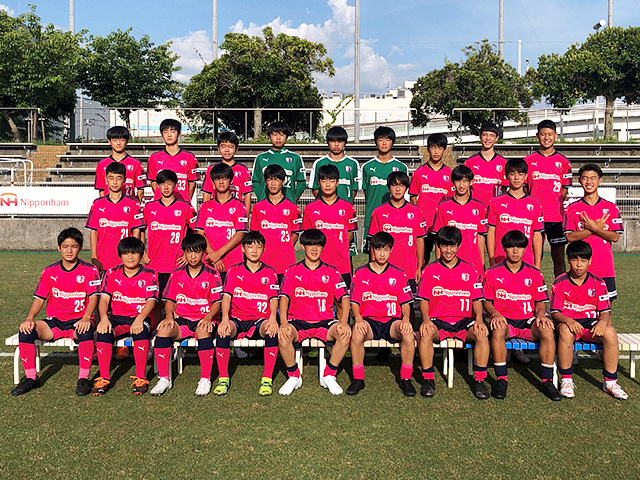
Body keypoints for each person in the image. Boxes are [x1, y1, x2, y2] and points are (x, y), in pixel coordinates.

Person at [11, 228, 101, 397]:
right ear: (59, 248)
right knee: (26, 331)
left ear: (80, 248)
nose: (69, 250)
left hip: (78, 321)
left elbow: (94, 297)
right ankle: (31, 378)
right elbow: (39, 299)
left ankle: (83, 379)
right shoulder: (49, 271)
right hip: (55, 322)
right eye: (65, 246)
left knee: (86, 331)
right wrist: (29, 318)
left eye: (74, 246)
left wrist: (86, 317)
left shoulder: (90, 270)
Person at [483, 230, 561, 401]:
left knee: (547, 330)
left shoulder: (535, 273)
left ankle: (548, 381)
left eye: (519, 247)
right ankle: (501, 379)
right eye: (511, 247)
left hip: (527, 321)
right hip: (505, 321)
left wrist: (541, 314)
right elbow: (486, 301)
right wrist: (495, 314)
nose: (515, 251)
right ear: (504, 248)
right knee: (497, 330)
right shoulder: (492, 272)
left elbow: (541, 301)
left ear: (525, 249)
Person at [416, 226, 490, 400]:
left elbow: (476, 299)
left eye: (452, 246)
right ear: (438, 246)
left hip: (464, 321)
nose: (448, 250)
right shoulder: (430, 270)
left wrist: (479, 319)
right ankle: (428, 379)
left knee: (482, 334)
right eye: (444, 246)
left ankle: (480, 381)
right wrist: (426, 319)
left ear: (459, 246)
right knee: (425, 333)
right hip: (438, 320)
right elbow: (423, 300)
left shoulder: (470, 270)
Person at [277, 229, 351, 396]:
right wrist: (284, 323)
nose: (314, 249)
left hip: (324, 322)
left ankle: (329, 375)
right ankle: (294, 376)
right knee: (283, 335)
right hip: (298, 322)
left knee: (345, 334)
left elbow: (344, 298)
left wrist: (344, 322)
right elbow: (284, 298)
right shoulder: (292, 271)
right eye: (310, 245)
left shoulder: (331, 271)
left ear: (323, 247)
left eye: (318, 245)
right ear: (303, 246)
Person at [552, 240, 628, 400]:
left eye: (583, 260)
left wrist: (602, 322)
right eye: (575, 260)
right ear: (568, 260)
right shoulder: (559, 282)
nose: (579, 264)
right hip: (568, 322)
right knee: (565, 330)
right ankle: (566, 380)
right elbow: (555, 313)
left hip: (589, 323)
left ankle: (610, 382)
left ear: (590, 261)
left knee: (610, 332)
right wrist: (568, 320)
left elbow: (605, 311)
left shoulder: (598, 283)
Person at [149, 234, 222, 397]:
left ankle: (205, 379)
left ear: (203, 253)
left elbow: (217, 302)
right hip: (182, 320)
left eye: (197, 251)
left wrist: (209, 317)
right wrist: (169, 316)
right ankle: (164, 379)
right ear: (184, 253)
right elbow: (170, 300)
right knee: (163, 330)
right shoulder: (176, 273)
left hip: (204, 319)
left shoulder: (213, 274)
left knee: (203, 330)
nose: (193, 256)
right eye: (189, 252)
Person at [347, 231, 416, 397]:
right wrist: (358, 319)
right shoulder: (360, 272)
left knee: (408, 333)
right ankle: (358, 378)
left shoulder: (399, 274)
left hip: (391, 322)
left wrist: (406, 319)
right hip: (369, 322)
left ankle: (406, 378)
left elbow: (405, 303)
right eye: (378, 249)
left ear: (391, 250)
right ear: (372, 250)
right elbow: (354, 301)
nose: (382, 254)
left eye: (386, 249)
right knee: (357, 333)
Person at [213, 231, 280, 396]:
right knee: (223, 331)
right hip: (237, 318)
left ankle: (267, 379)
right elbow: (226, 297)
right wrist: (224, 319)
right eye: (250, 246)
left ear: (264, 249)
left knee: (271, 330)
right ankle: (223, 378)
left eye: (259, 246)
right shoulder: (234, 270)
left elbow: (273, 299)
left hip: (260, 320)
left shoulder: (270, 272)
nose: (254, 250)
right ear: (243, 249)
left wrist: (272, 318)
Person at [92, 237, 158, 396]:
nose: (130, 256)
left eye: (134, 253)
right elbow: (104, 298)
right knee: (103, 332)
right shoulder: (112, 273)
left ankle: (141, 378)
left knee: (141, 331)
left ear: (141, 255)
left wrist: (140, 319)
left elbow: (151, 301)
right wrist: (104, 318)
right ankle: (104, 378)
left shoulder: (150, 274)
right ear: (120, 255)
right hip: (117, 317)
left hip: (141, 317)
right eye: (126, 253)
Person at [564, 164, 623, 301]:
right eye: (585, 178)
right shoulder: (572, 208)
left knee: (606, 309)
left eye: (593, 178)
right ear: (579, 180)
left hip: (604, 268)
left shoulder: (611, 207)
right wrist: (591, 229)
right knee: (581, 307)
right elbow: (569, 236)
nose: (589, 182)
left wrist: (596, 229)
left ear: (600, 180)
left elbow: (615, 237)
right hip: (580, 269)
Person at [524, 120, 572, 278]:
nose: (546, 137)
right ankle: (531, 286)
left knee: (558, 257)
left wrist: (551, 203)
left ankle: (560, 287)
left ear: (556, 135)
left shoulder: (564, 162)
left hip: (556, 217)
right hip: (533, 216)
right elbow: (525, 188)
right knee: (533, 257)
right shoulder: (528, 161)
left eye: (550, 134)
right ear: (537, 136)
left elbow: (565, 189)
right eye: (543, 134)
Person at [368, 171, 426, 296]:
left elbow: (419, 240)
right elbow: (374, 242)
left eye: (401, 185)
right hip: (384, 269)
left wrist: (419, 267)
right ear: (389, 187)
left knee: (409, 304)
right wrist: (373, 268)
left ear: (406, 188)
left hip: (409, 270)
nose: (398, 189)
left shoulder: (416, 212)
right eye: (394, 185)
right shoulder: (379, 212)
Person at [142, 169, 196, 300]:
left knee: (175, 301)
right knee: (155, 302)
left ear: (175, 185)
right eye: (162, 184)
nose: (166, 187)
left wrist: (188, 252)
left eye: (169, 183)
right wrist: (142, 251)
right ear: (157, 186)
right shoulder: (149, 207)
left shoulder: (186, 207)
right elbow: (139, 230)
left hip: (177, 263)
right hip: (154, 262)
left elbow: (196, 232)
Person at [302, 164, 357, 293]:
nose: (327, 185)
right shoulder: (310, 208)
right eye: (324, 181)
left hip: (341, 264)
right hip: (317, 264)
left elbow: (350, 233)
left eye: (331, 181)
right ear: (318, 183)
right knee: (317, 297)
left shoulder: (348, 207)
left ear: (337, 183)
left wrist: (339, 246)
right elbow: (307, 236)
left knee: (343, 300)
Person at [85, 161, 144, 274]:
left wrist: (134, 253)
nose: (115, 182)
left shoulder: (133, 203)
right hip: (103, 260)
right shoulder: (97, 204)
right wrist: (94, 257)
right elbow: (93, 231)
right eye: (111, 178)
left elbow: (136, 231)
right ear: (106, 179)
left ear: (125, 180)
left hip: (126, 260)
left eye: (119, 178)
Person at [486, 159, 543, 269]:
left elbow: (537, 235)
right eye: (512, 174)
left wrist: (537, 264)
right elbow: (491, 232)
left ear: (526, 176)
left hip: (526, 261)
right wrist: (492, 260)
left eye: (520, 174)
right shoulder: (495, 202)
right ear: (506, 176)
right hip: (500, 259)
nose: (516, 178)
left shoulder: (535, 204)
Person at [195, 163, 248, 280]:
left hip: (233, 263)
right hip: (209, 262)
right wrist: (213, 256)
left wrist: (218, 254)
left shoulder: (240, 206)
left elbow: (240, 234)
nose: (221, 182)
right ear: (213, 182)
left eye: (224, 178)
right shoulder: (204, 207)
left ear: (231, 181)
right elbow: (200, 233)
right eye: (218, 179)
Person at [250, 164, 302, 283]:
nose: (273, 183)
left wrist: (285, 248)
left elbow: (295, 233)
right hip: (263, 262)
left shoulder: (292, 208)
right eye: (270, 179)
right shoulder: (258, 207)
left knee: (285, 294)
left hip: (285, 262)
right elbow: (255, 234)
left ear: (283, 181)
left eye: (276, 179)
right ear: (265, 182)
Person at [432, 165, 487, 276]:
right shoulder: (443, 207)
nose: (461, 185)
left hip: (473, 264)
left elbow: (480, 238)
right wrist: (439, 265)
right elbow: (438, 239)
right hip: (449, 263)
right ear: (453, 182)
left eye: (465, 181)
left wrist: (482, 265)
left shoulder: (479, 207)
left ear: (471, 182)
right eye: (458, 181)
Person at [409, 132, 455, 263]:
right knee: (423, 257)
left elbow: (452, 200)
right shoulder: (419, 173)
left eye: (439, 148)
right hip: (425, 222)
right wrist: (419, 217)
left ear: (444, 150)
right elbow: (413, 197)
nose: (436, 151)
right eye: (433, 147)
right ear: (428, 149)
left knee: (444, 255)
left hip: (443, 222)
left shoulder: (449, 174)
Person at [361, 126, 407, 251]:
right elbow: (366, 192)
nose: (384, 143)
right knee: (372, 255)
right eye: (381, 139)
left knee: (394, 253)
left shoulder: (401, 167)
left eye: (388, 139)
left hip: (394, 220)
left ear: (393, 142)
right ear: (376, 142)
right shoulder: (367, 167)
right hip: (372, 219)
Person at [251, 121, 306, 203]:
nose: (278, 138)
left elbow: (302, 183)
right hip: (266, 206)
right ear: (269, 136)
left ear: (286, 137)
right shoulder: (260, 158)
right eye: (274, 134)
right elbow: (256, 182)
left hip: (287, 206)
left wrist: (293, 199)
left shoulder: (295, 158)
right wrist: (262, 199)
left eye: (281, 134)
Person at [148, 119, 200, 202]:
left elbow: (192, 182)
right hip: (161, 205)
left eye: (172, 131)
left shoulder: (189, 157)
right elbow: (153, 182)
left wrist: (185, 200)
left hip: (181, 203)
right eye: (165, 131)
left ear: (178, 134)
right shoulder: (154, 158)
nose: (169, 135)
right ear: (162, 135)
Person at [201, 131, 252, 214]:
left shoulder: (243, 170)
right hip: (216, 212)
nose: (227, 150)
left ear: (236, 148)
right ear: (218, 148)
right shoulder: (211, 169)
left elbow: (247, 195)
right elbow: (207, 193)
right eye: (223, 146)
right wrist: (204, 214)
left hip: (235, 212)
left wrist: (245, 216)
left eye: (231, 147)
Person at [308, 126, 360, 203]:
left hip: (345, 208)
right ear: (328, 142)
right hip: (324, 208)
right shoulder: (319, 163)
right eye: (333, 141)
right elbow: (315, 188)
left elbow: (354, 189)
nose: (336, 144)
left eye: (340, 141)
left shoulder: (353, 164)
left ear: (345, 143)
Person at [95, 126, 146, 202]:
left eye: (122, 140)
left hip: (128, 206)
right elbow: (101, 189)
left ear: (127, 141)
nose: (118, 143)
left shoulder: (136, 164)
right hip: (109, 206)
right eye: (115, 140)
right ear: (109, 141)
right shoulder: (101, 165)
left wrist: (134, 205)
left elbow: (140, 189)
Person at [463, 122, 508, 206]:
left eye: (492, 135)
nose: (488, 138)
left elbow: (506, 190)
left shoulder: (504, 163)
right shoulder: (469, 162)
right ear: (480, 136)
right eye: (485, 135)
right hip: (475, 209)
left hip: (496, 209)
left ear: (497, 138)